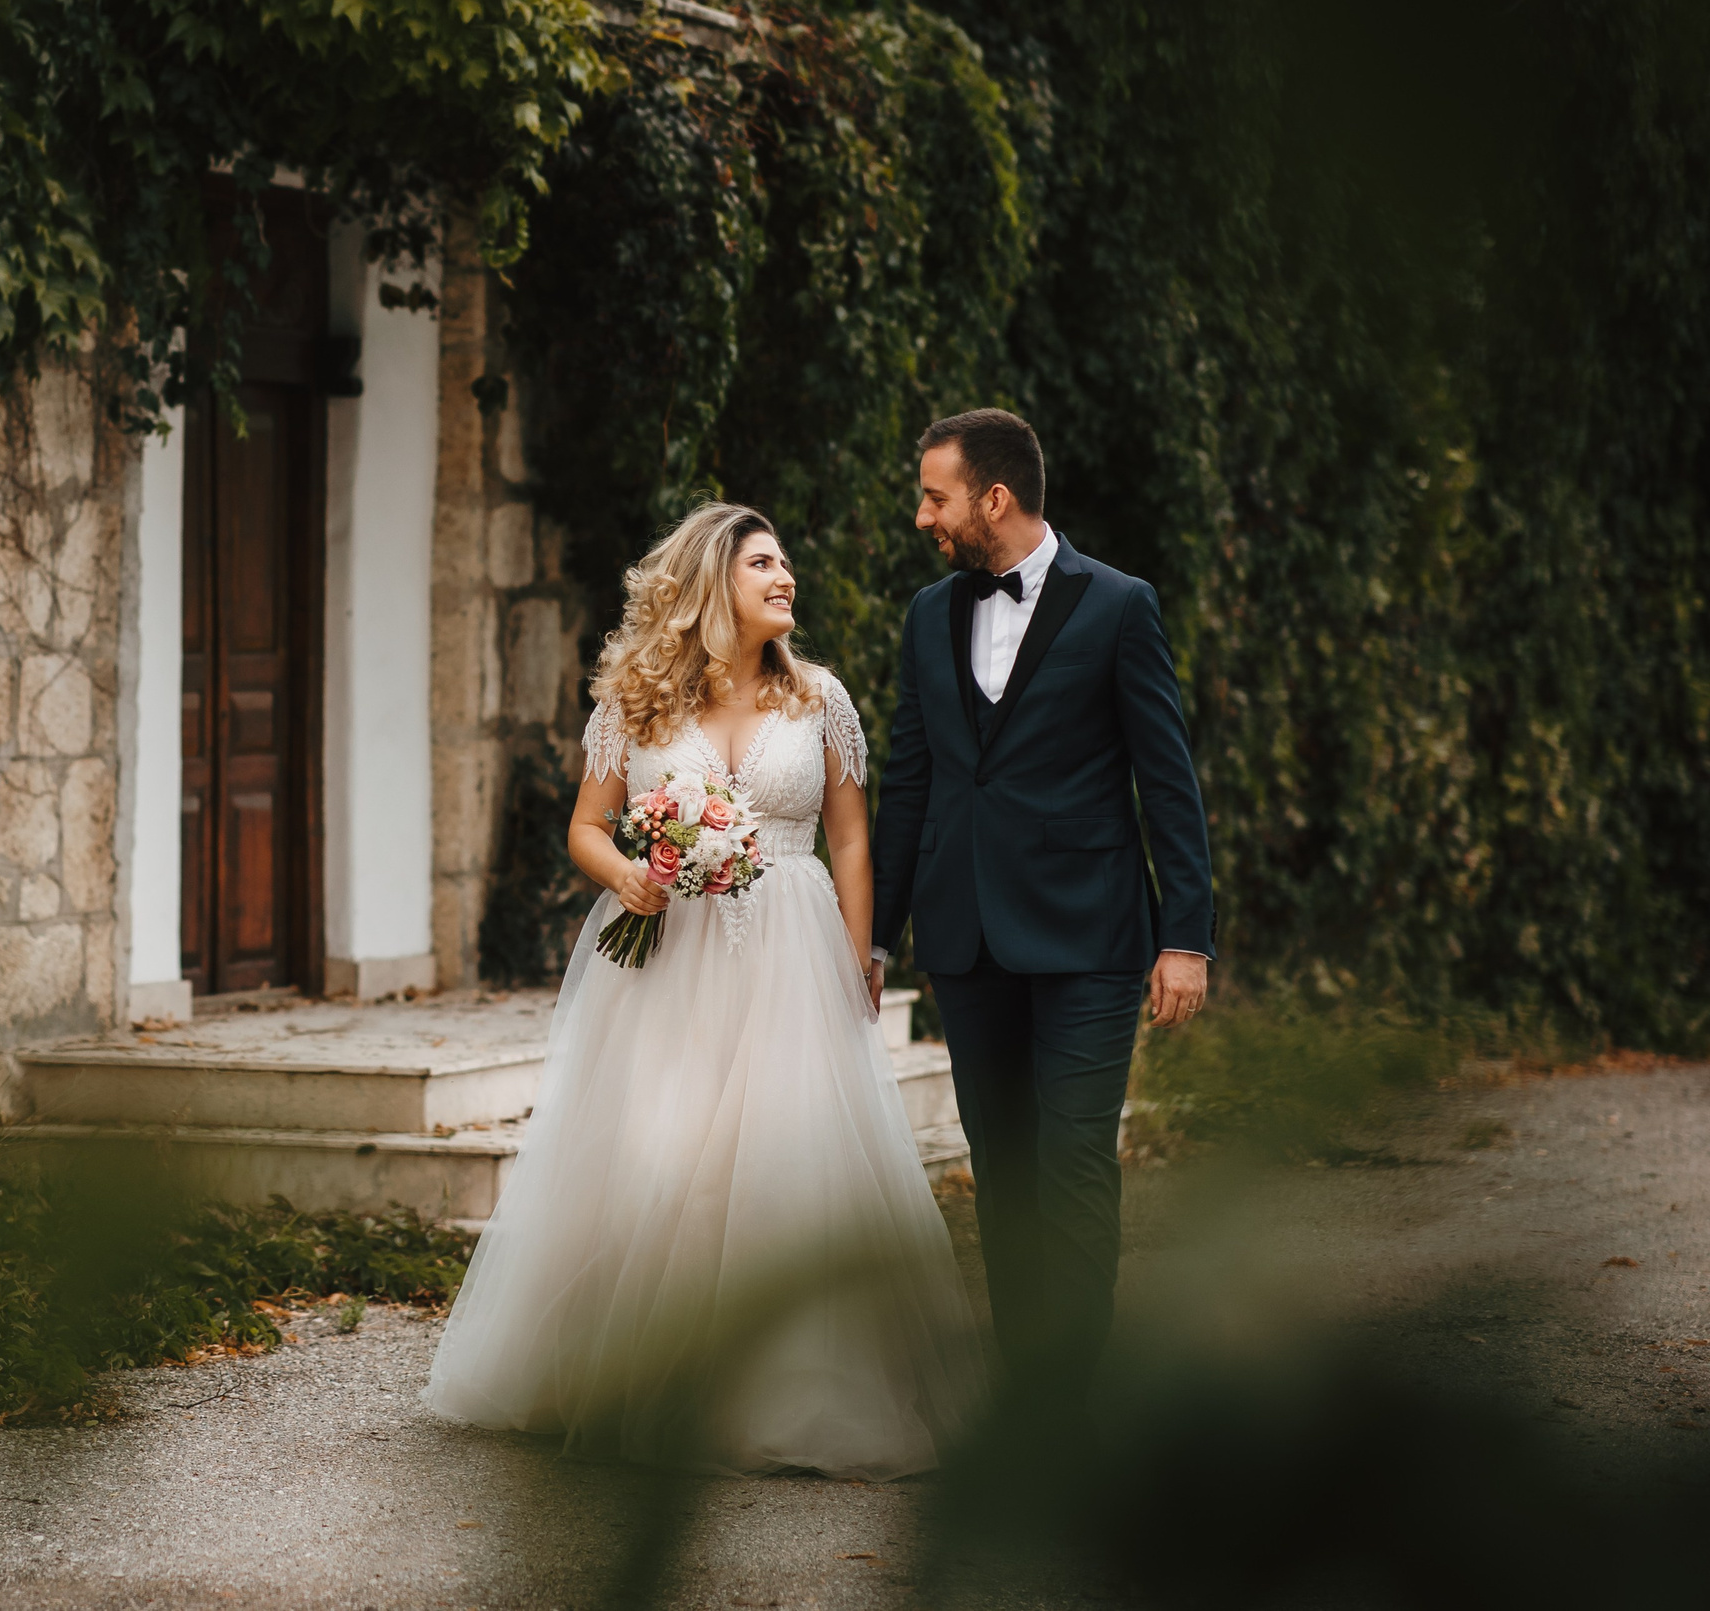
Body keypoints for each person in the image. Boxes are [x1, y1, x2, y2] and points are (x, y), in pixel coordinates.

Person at [423, 503, 983, 1478]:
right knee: (661, 1152)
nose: (785, 576)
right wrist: (626, 874)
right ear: (710, 582)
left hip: (792, 949)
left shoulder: (819, 698)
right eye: (763, 562)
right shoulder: (634, 701)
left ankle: (787, 1391)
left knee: (784, 1162)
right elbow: (588, 827)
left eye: (785, 562)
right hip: (668, 956)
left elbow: (850, 835)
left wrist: (863, 954)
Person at [868, 408, 1216, 1422]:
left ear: (994, 497)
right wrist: (875, 935)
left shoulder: (1119, 606)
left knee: (1071, 1165)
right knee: (1005, 1168)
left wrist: (1185, 936)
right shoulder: (927, 614)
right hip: (966, 936)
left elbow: (1167, 779)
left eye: (934, 497)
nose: (922, 516)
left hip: (1087, 937)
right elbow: (909, 782)